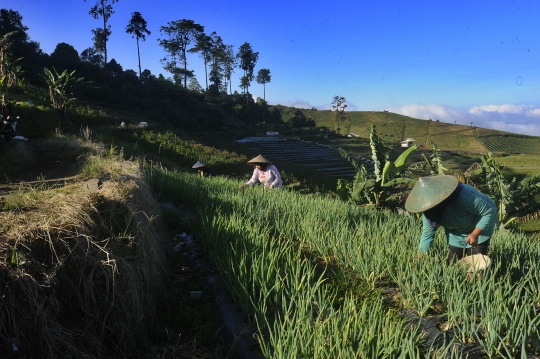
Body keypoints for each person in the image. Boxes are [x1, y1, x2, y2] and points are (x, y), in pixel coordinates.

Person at [404, 175, 497, 264]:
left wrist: (475, 234)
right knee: (453, 261)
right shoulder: (429, 212)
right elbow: (427, 236)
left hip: (479, 225)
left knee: (475, 261)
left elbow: (489, 212)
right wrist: (421, 256)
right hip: (455, 231)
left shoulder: (463, 196)